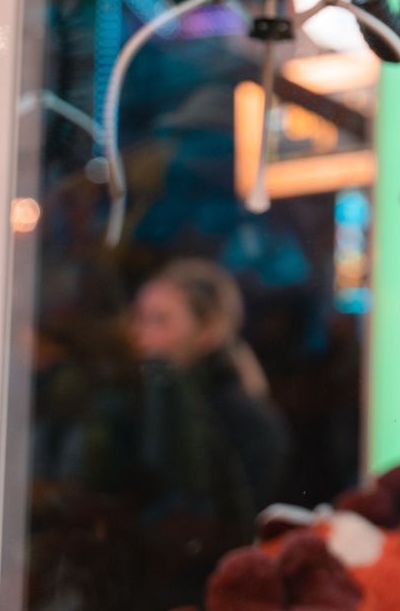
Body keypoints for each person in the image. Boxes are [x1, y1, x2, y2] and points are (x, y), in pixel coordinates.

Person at [130, 258, 290, 608]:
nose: (144, 337)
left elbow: (238, 520)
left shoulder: (237, 416)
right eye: (141, 319)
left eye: (161, 321)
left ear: (209, 329)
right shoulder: (152, 398)